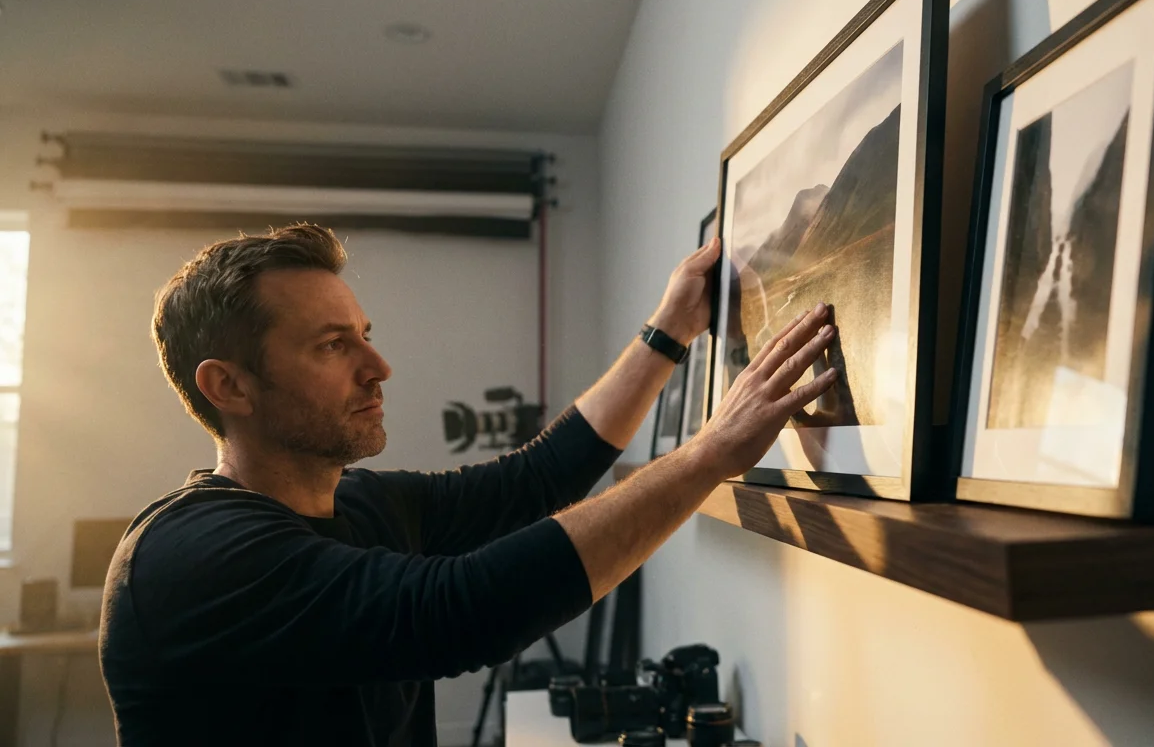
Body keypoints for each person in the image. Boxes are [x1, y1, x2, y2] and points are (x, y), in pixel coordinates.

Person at [99, 223, 838, 746]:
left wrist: (669, 328)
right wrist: (708, 454)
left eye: (364, 331)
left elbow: (540, 474)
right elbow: (460, 613)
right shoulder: (189, 554)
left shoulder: (360, 504)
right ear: (229, 386)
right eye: (333, 345)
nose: (377, 365)